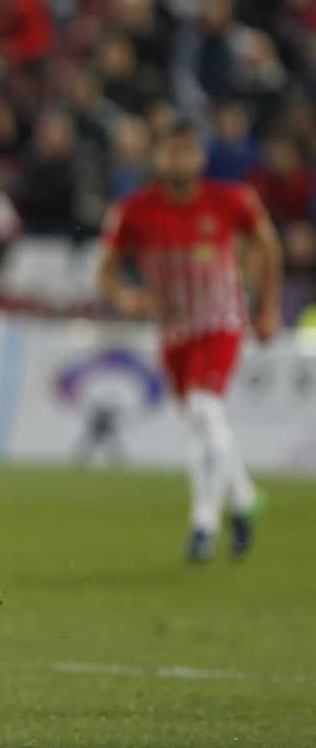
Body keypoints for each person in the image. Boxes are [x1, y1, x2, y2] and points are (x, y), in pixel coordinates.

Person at [96, 120, 282, 561]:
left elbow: (267, 244)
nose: (178, 160)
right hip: (174, 329)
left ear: (200, 157)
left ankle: (203, 524)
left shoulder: (231, 200)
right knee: (197, 422)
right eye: (170, 152)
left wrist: (268, 307)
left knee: (204, 407)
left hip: (221, 321)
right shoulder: (135, 209)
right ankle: (242, 497)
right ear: (157, 157)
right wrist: (125, 296)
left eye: (186, 151)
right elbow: (106, 268)